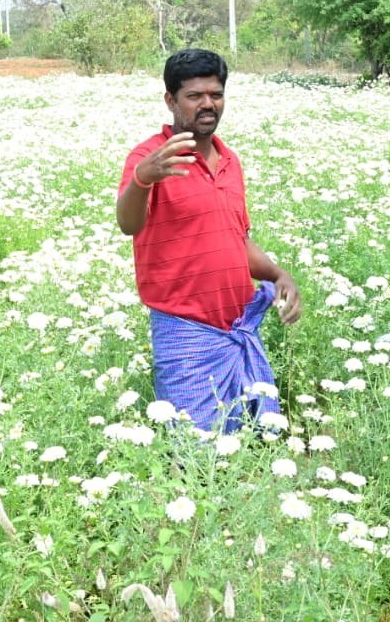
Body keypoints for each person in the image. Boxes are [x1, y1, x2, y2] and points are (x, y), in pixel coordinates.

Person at [116, 49, 301, 434]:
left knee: (252, 444)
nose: (207, 105)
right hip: (186, 333)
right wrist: (143, 179)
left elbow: (237, 239)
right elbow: (128, 224)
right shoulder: (151, 157)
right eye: (194, 96)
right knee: (196, 453)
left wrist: (278, 273)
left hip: (238, 327)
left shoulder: (229, 161)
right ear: (171, 100)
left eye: (215, 95)